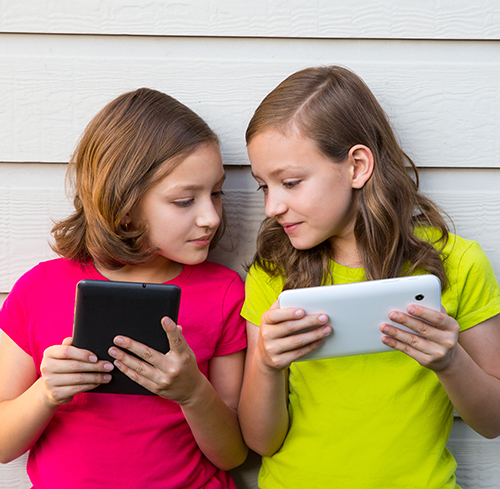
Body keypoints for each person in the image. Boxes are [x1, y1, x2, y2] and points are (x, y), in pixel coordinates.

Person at [238, 65, 500, 488]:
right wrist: (267, 365)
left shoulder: (458, 263)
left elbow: (493, 422)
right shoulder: (275, 272)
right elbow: (261, 441)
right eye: (263, 186)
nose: (272, 207)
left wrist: (450, 362)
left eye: (289, 182)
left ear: (357, 166)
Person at [0, 88, 248, 489]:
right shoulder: (40, 289)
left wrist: (192, 393)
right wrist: (47, 392)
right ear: (126, 211)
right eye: (185, 201)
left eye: (216, 193)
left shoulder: (223, 293)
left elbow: (233, 453)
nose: (211, 217)